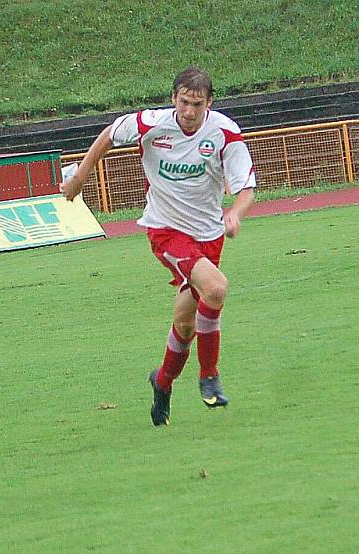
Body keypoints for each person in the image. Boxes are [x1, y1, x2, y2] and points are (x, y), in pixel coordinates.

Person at [62, 67, 256, 427]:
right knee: (216, 287)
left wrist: (235, 214)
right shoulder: (152, 124)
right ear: (173, 99)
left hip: (208, 236)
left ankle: (162, 382)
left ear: (209, 103)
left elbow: (247, 187)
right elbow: (109, 134)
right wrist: (79, 178)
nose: (189, 111)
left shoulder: (226, 133)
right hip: (166, 231)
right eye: (184, 102)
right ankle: (208, 375)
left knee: (185, 324)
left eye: (197, 104)